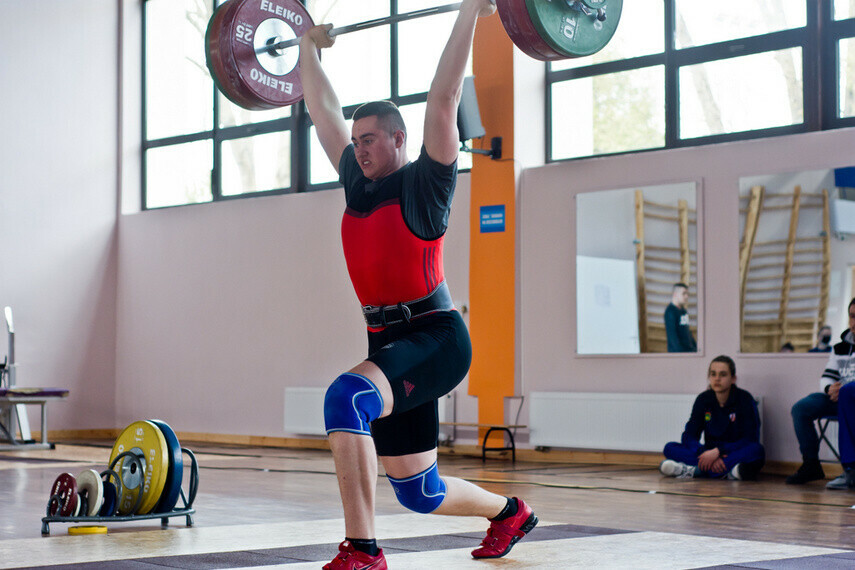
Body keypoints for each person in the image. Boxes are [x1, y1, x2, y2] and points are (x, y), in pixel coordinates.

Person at [298, 2, 537, 568]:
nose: (359, 148)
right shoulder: (356, 181)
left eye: (372, 138)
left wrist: (466, 15)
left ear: (400, 140)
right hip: (389, 342)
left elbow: (444, 98)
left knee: (346, 397)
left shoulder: (426, 180)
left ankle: (363, 552)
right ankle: (510, 514)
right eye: (356, 140)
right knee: (419, 491)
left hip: (436, 337)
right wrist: (307, 48)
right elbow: (321, 109)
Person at [659, 355, 765, 480]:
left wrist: (719, 451)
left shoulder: (745, 399)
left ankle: (695, 471)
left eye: (723, 374)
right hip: (707, 452)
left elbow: (750, 439)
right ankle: (728, 472)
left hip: (731, 452)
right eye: (713, 374)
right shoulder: (703, 399)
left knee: (757, 450)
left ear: (733, 378)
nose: (717, 379)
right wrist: (702, 453)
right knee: (669, 447)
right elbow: (689, 435)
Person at [786, 298, 855, 487]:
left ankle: (851, 470)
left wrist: (845, 390)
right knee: (801, 408)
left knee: (849, 391)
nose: (854, 322)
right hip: (838, 398)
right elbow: (827, 376)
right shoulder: (839, 348)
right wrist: (829, 388)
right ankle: (811, 464)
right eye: (851, 316)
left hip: (852, 400)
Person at [664, 282, 697, 353]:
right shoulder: (670, 312)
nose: (686, 296)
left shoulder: (683, 311)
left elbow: (687, 331)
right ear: (675, 294)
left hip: (689, 351)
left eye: (687, 294)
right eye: (684, 293)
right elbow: (673, 337)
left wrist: (695, 348)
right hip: (679, 352)